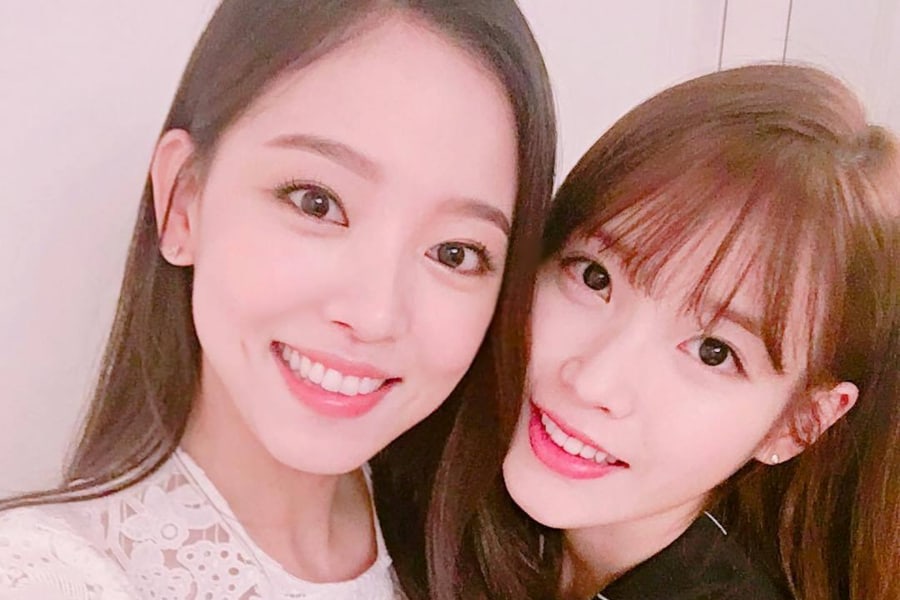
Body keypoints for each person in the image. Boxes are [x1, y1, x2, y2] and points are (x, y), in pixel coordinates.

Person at [0, 1, 556, 598]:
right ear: (183, 201)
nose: (375, 315)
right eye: (317, 203)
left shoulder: (495, 556)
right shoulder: (51, 578)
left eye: (454, 253)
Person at [427, 64, 899, 600]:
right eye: (595, 276)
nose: (594, 382)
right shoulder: (432, 473)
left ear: (797, 425)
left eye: (714, 352)